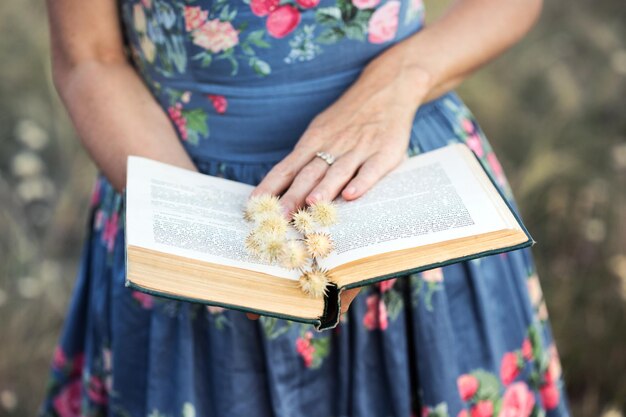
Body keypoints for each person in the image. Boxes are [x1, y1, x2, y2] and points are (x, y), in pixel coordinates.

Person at [40, 0, 570, 415]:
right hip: (178, 181)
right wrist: (206, 239)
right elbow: (90, 56)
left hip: (398, 172)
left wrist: (397, 84)